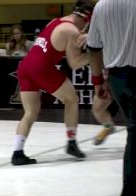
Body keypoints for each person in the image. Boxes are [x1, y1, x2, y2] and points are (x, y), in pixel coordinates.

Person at [11, 0, 93, 166]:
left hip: (25, 66)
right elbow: (74, 63)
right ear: (86, 19)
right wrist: (97, 55)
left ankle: (17, 152)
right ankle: (71, 142)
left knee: (30, 112)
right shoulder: (72, 31)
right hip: (41, 68)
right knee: (72, 99)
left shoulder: (56, 21)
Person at [87, 0, 136, 195]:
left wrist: (98, 80)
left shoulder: (101, 6)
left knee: (134, 128)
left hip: (117, 78)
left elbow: (93, 48)